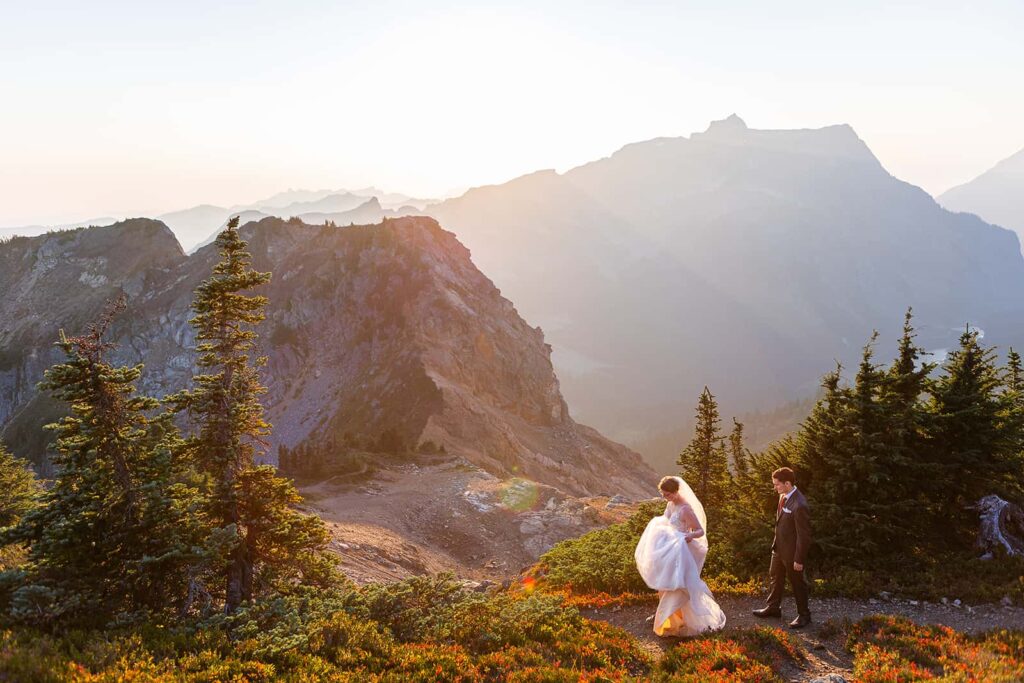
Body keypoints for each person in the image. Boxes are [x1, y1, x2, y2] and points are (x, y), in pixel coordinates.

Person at [634, 476, 727, 637]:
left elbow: (699, 530)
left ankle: (682, 619)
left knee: (678, 585)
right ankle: (666, 616)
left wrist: (688, 536)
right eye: (663, 495)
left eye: (668, 495)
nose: (666, 498)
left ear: (676, 492)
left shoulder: (686, 509)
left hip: (682, 550)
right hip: (670, 549)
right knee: (665, 582)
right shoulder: (671, 504)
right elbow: (666, 521)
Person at [753, 467, 812, 628]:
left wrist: (799, 559)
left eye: (777, 484)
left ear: (787, 483)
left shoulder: (799, 504)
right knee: (775, 577)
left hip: (792, 553)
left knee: (797, 583)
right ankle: (773, 608)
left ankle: (804, 615)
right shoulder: (783, 496)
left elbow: (804, 536)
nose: (775, 487)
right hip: (778, 548)